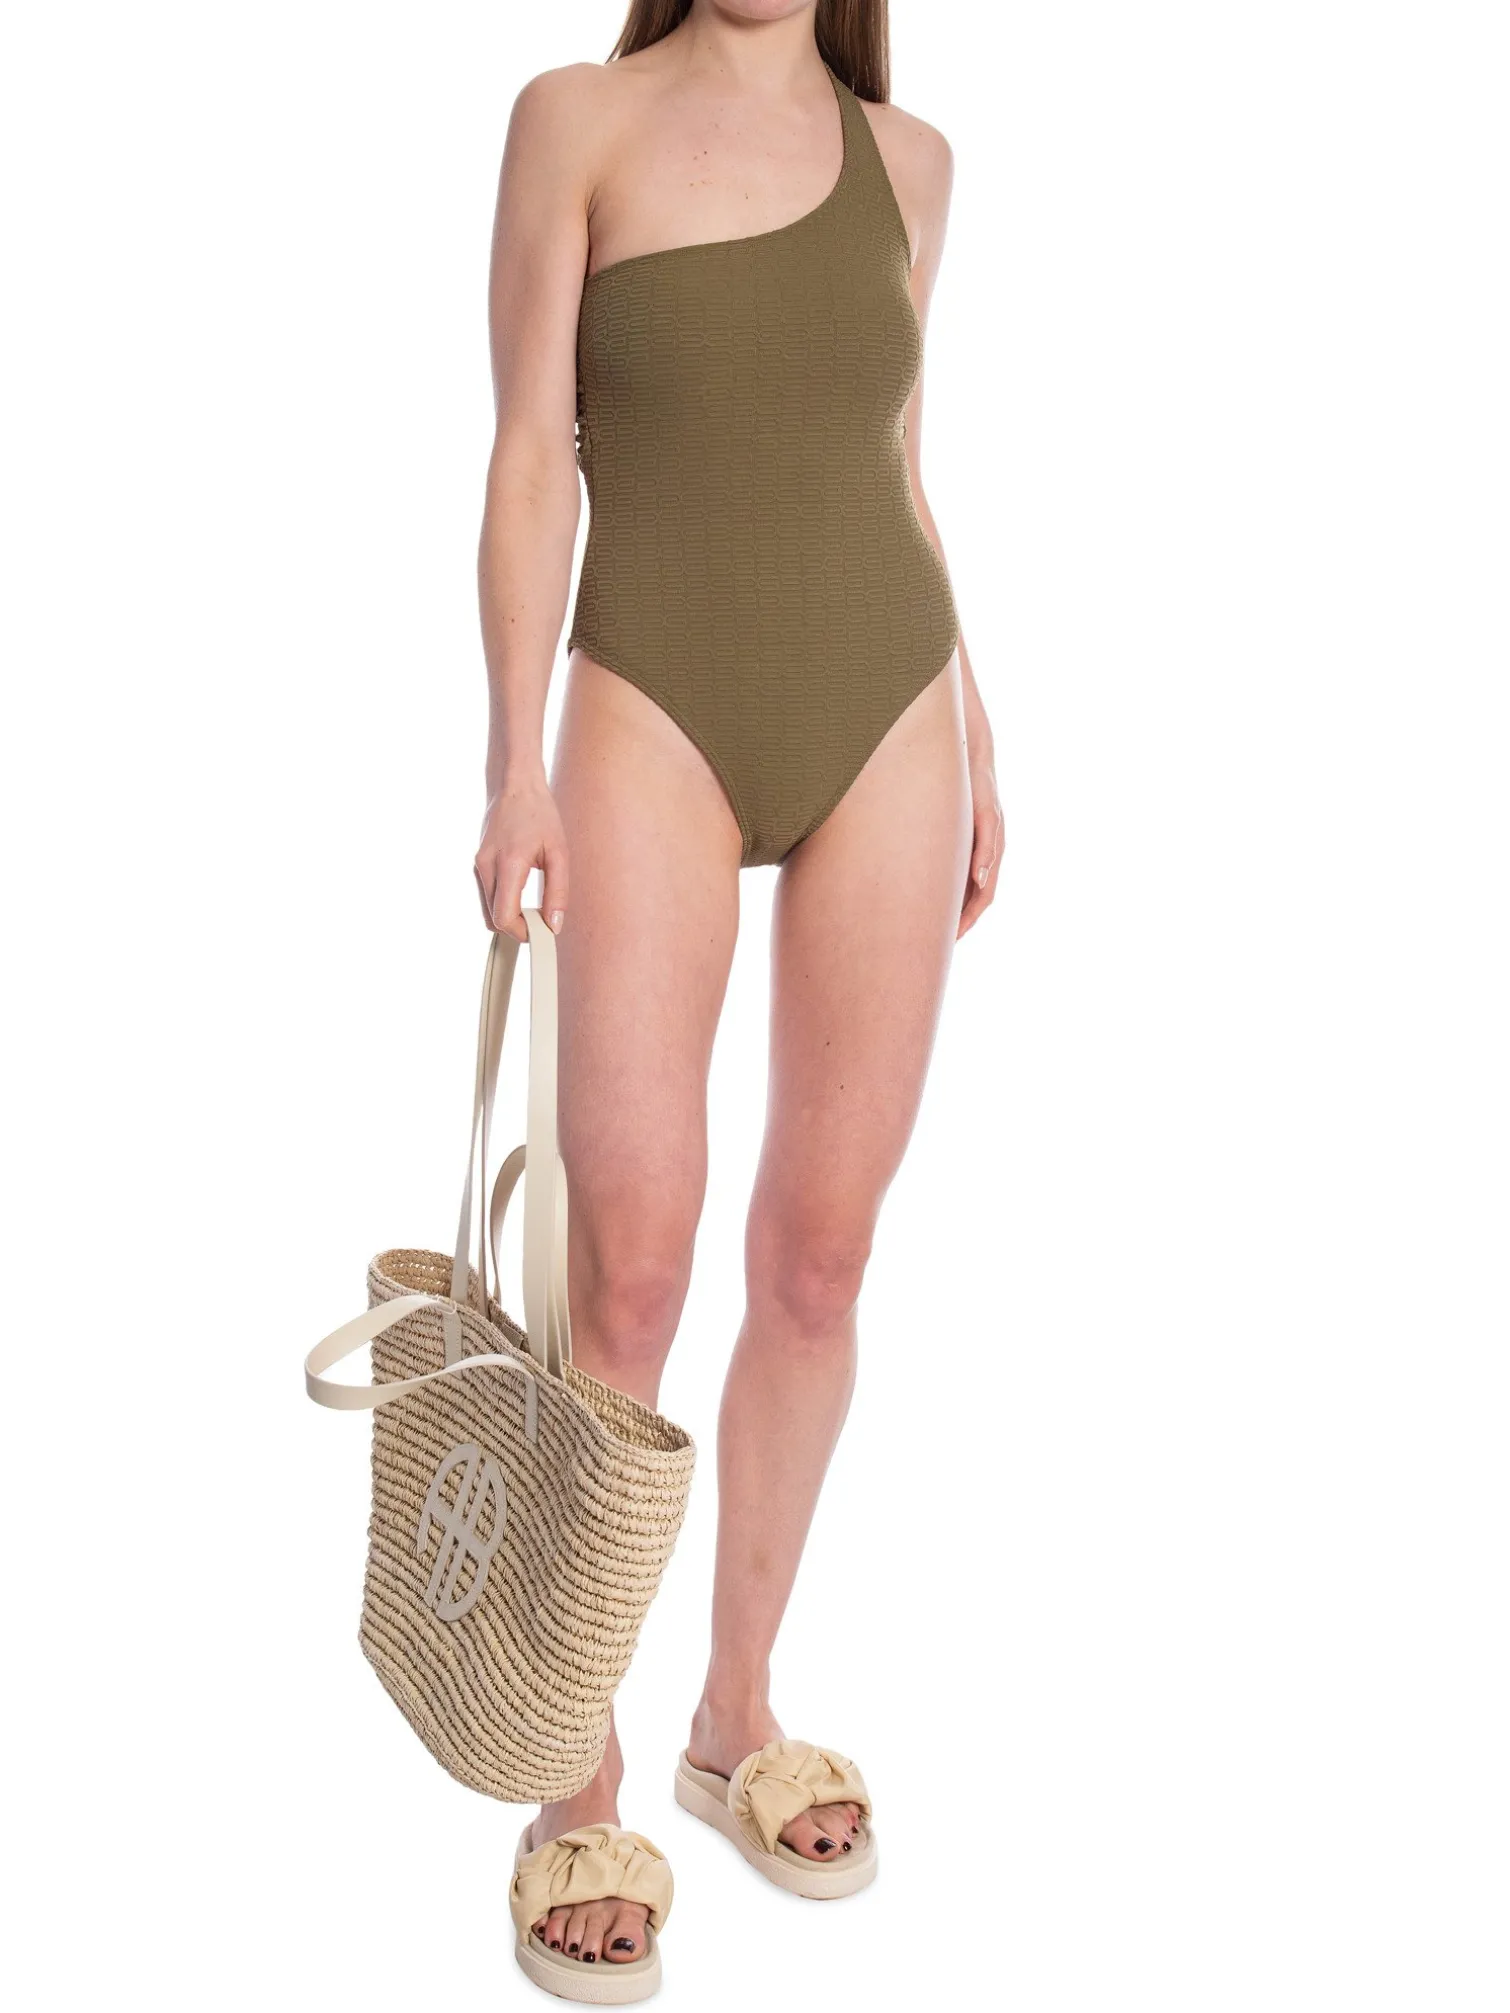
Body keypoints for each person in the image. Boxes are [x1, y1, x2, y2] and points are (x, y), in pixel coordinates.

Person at [476, 1, 1001, 1994]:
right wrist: (509, 757)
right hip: (646, 701)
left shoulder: (911, 165)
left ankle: (733, 1710)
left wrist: (977, 725)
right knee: (626, 1272)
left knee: (818, 1257)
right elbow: (528, 456)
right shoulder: (575, 120)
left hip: (885, 694)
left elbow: (897, 467)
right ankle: (573, 1773)